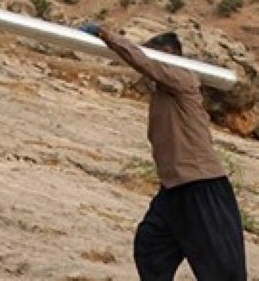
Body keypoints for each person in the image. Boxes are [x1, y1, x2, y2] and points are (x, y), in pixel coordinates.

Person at [80, 22, 245, 280]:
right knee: (150, 248)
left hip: (201, 186)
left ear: (169, 56)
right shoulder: (163, 94)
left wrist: (105, 34)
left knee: (222, 271)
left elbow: (145, 63)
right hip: (173, 190)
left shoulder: (183, 79)